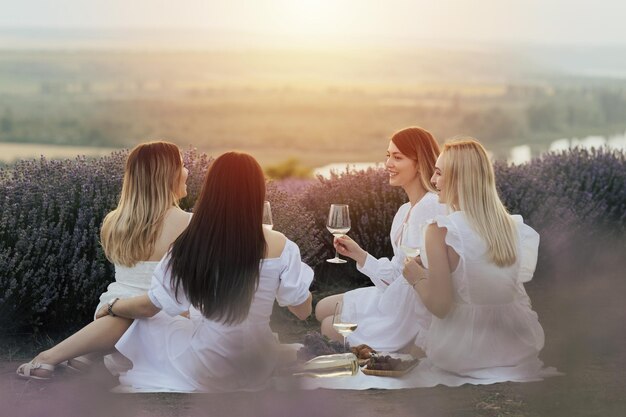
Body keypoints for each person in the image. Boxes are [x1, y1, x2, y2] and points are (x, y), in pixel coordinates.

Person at [17, 151, 314, 392]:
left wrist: (113, 306)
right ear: (258, 190)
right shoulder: (283, 245)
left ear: (212, 190)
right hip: (256, 365)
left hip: (209, 368)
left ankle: (62, 356)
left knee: (147, 317)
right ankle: (78, 356)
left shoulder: (190, 244)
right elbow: (302, 310)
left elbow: (151, 306)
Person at [24, 141, 192, 375]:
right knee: (146, 314)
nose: (187, 172)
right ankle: (55, 356)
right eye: (183, 165)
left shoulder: (113, 222)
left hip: (112, 313)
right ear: (168, 174)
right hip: (157, 324)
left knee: (136, 313)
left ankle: (78, 354)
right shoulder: (190, 225)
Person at [403, 138, 547, 381]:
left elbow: (441, 307)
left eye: (439, 173)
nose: (433, 181)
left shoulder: (440, 230)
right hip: (518, 347)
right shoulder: (514, 227)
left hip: (464, 354)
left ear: (459, 179)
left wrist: (416, 277)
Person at [315, 126, 446, 353]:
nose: (388, 164)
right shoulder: (404, 210)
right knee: (322, 308)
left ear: (419, 163)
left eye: (397, 157)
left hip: (411, 309)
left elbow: (430, 277)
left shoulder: (431, 206)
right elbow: (398, 272)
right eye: (388, 156)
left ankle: (402, 345)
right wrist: (359, 254)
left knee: (329, 324)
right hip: (395, 294)